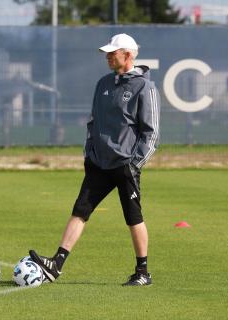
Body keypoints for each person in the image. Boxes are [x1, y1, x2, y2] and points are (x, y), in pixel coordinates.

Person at [29, 33, 160, 286]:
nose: (108, 57)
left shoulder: (145, 87)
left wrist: (135, 163)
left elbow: (151, 133)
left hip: (125, 166)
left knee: (133, 217)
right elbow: (93, 121)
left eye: (114, 53)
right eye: (108, 53)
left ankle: (142, 272)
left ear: (129, 55)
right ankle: (56, 264)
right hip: (98, 163)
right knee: (80, 211)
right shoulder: (103, 84)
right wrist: (89, 152)